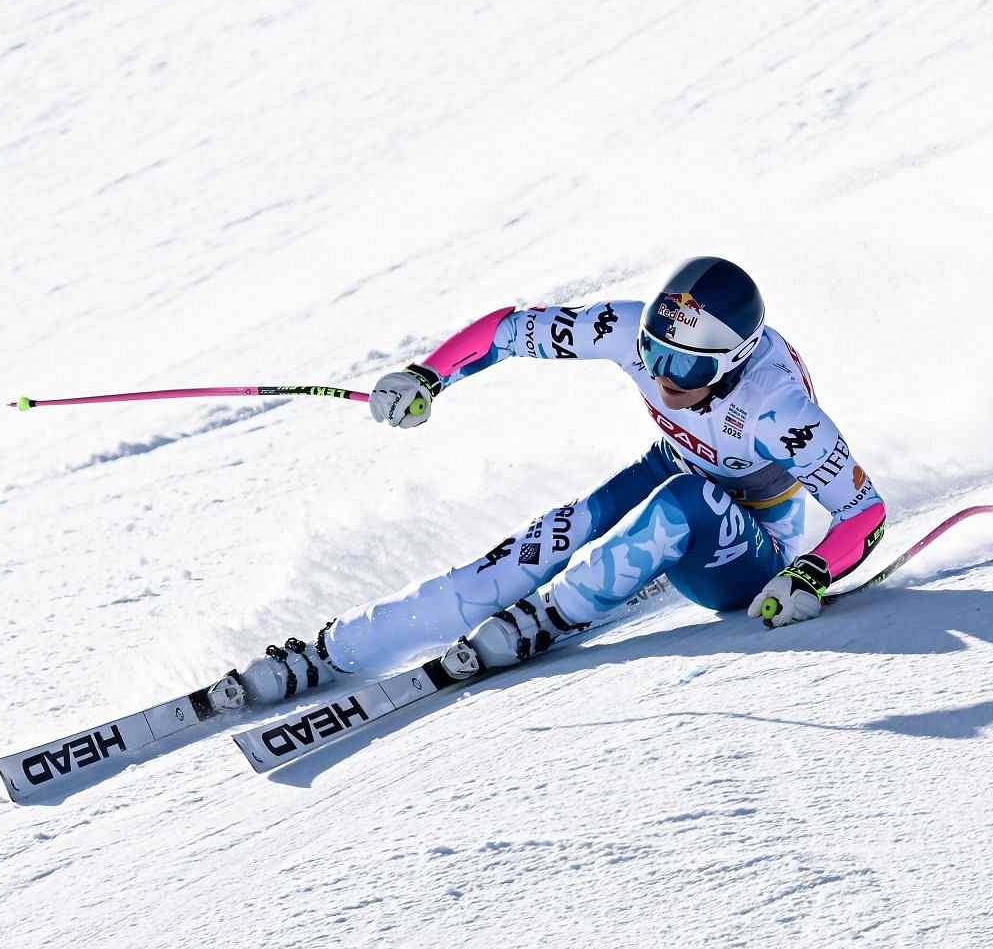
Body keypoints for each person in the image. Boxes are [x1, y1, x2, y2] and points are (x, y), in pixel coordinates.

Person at [212, 256, 888, 709]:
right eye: (653, 354)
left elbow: (863, 511)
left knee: (682, 506)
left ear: (734, 361)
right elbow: (509, 332)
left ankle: (553, 616)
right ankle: (337, 649)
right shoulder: (629, 330)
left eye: (685, 369)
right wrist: (429, 377)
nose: (661, 377)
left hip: (753, 542)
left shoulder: (779, 409)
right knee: (550, 537)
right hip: (676, 468)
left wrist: (807, 576)